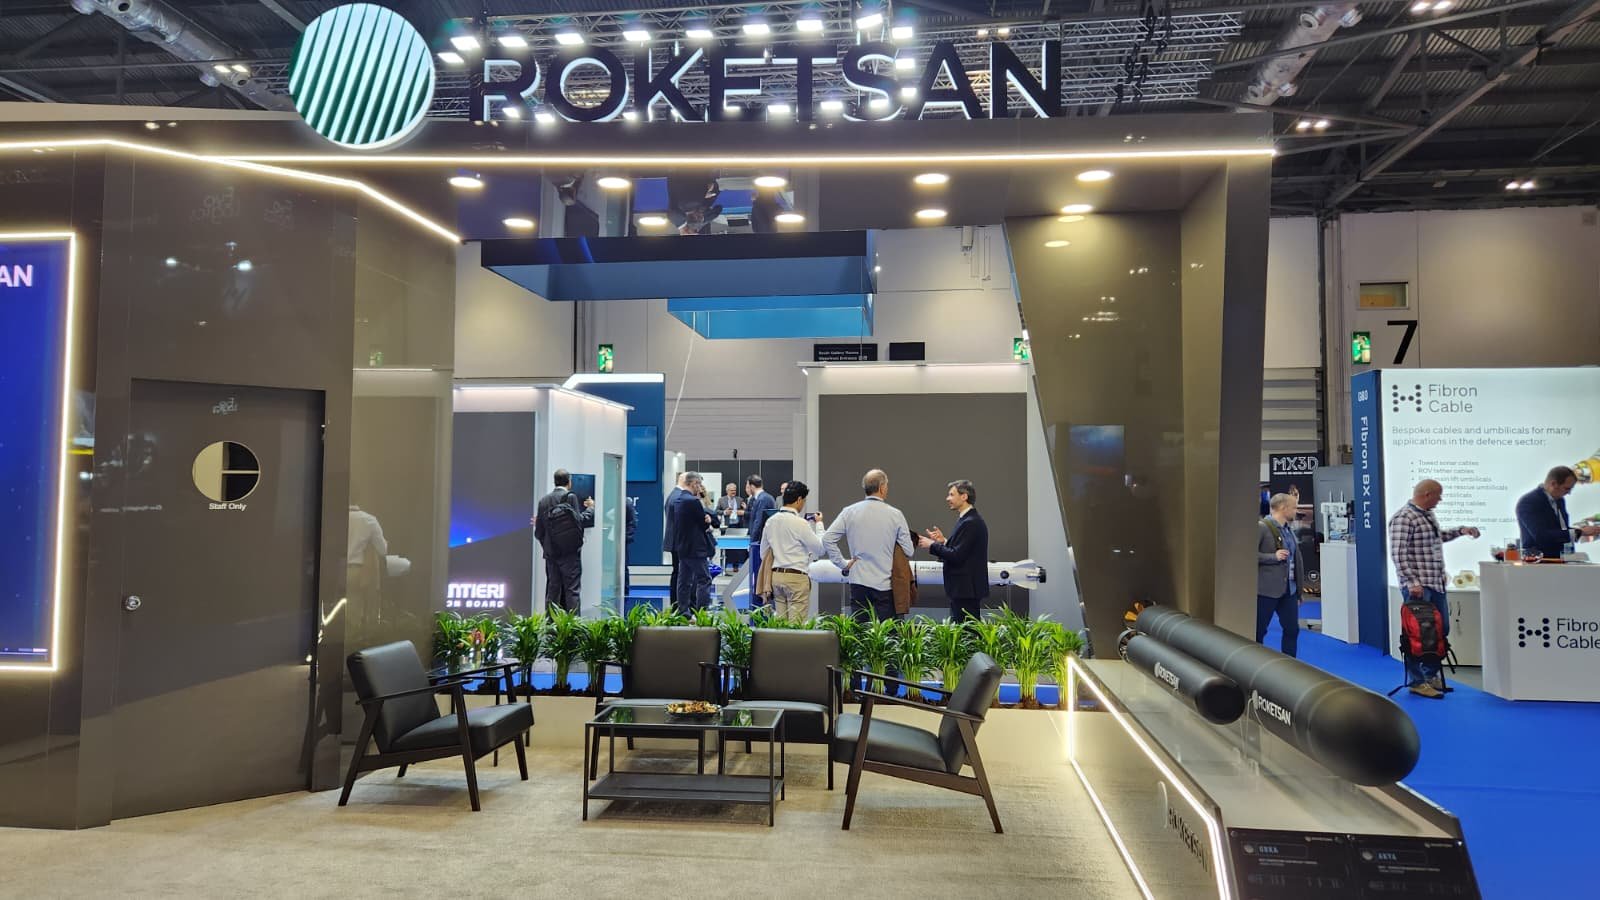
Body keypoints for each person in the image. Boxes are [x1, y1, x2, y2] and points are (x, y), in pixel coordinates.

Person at [1388, 479, 1481, 697]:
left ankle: (1430, 675)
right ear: (1427, 494)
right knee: (1417, 635)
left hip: (1436, 583)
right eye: (1438, 495)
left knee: (1439, 631)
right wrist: (1412, 581)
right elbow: (1398, 554)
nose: (1440, 499)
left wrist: (1461, 531)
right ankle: (1417, 681)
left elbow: (1436, 538)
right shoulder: (1404, 518)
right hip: (1419, 587)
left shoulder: (1427, 515)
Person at [824, 468, 915, 622]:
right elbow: (909, 550)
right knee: (888, 633)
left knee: (860, 631)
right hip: (885, 584)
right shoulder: (895, 514)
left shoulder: (849, 512)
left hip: (858, 582)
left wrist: (843, 564)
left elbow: (827, 539)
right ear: (882, 487)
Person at [916, 479, 990, 622]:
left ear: (964, 496)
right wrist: (943, 542)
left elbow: (956, 555)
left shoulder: (970, 522)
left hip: (966, 589)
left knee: (967, 631)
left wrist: (932, 545)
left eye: (951, 494)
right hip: (964, 589)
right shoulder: (967, 520)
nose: (947, 498)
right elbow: (962, 550)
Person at [758, 481, 826, 622]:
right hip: (796, 577)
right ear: (799, 499)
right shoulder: (800, 523)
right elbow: (820, 549)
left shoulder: (771, 521)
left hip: (776, 577)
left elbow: (763, 553)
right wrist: (819, 524)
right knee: (796, 627)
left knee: (781, 624)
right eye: (804, 501)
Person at [535, 469, 595, 614]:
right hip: (570, 554)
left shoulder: (543, 501)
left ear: (554, 481)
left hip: (551, 554)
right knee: (572, 590)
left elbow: (539, 532)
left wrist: (548, 546)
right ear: (569, 482)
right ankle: (572, 624)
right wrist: (591, 509)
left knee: (552, 590)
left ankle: (551, 623)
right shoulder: (570, 497)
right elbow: (579, 521)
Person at [1256, 493, 1309, 657]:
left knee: (1292, 630)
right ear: (1282, 508)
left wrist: (1298, 590)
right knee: (1258, 631)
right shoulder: (1261, 527)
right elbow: (1247, 555)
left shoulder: (1288, 530)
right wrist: (1273, 557)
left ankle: (1290, 664)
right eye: (1294, 507)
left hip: (1289, 591)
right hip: (1266, 591)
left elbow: (1296, 560)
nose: (1296, 511)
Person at [1516, 465, 1600, 558]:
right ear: (1554, 484)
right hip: (1539, 561)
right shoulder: (1529, 502)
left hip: (1562, 559)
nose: (1569, 493)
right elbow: (1541, 536)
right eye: (1567, 488)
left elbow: (1561, 529)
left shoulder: (1559, 500)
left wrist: (1583, 531)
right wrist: (1580, 532)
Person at [670, 472, 716, 614]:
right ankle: (702, 613)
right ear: (694, 483)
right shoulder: (693, 501)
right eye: (699, 484)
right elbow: (703, 524)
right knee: (704, 579)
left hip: (683, 547)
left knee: (684, 581)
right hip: (696, 549)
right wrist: (708, 521)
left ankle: (683, 612)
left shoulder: (678, 499)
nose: (700, 488)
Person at [744, 475, 777, 605]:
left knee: (760, 575)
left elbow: (758, 522)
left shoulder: (763, 499)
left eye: (748, 486)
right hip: (761, 542)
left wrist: (752, 542)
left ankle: (761, 603)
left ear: (752, 486)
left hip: (760, 544)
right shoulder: (763, 498)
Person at [663, 472, 689, 613]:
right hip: (679, 542)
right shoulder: (678, 496)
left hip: (676, 541)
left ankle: (676, 604)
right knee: (679, 574)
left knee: (677, 573)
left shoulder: (673, 495)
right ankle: (678, 605)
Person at [714, 482, 747, 570]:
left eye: (735, 490)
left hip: (738, 526)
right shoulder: (722, 500)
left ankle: (736, 566)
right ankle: (724, 566)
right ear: (727, 491)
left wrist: (745, 509)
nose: (733, 492)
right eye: (732, 490)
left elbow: (745, 511)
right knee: (726, 547)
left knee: (737, 547)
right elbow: (716, 511)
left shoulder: (740, 499)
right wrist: (725, 512)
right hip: (727, 527)